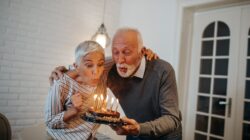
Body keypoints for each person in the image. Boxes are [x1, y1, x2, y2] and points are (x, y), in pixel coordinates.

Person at [50, 27, 182, 140]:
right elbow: (87, 65)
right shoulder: (110, 67)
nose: (120, 59)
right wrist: (64, 72)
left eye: (127, 52)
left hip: (164, 137)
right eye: (115, 52)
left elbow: (172, 118)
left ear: (142, 52)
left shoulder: (162, 70)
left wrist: (139, 128)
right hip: (132, 133)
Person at [45, 40, 114, 140]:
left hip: (91, 136)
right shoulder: (61, 84)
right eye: (89, 65)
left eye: (100, 64)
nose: (96, 71)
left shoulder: (102, 73)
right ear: (76, 66)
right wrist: (73, 110)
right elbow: (50, 122)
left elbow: (120, 56)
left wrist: (142, 52)